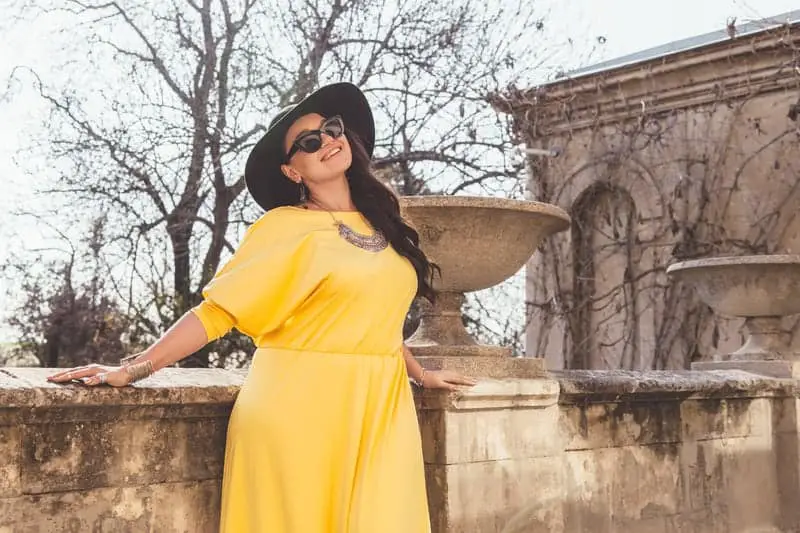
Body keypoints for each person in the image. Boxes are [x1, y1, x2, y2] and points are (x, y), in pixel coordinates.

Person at [47, 82, 477, 532]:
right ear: (292, 172)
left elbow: (376, 322)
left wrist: (421, 374)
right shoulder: (283, 228)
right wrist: (133, 368)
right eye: (308, 143)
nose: (328, 141)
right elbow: (217, 312)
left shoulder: (384, 223)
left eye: (331, 130)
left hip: (380, 406)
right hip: (297, 409)